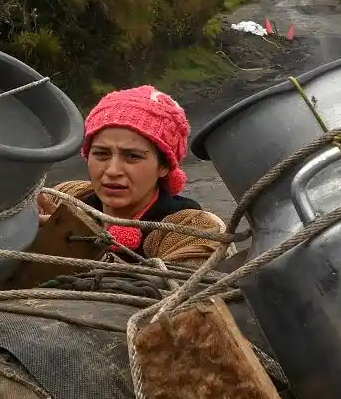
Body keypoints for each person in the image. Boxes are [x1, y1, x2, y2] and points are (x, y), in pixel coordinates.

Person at [37, 85, 228, 267]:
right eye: (101, 154)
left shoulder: (193, 229)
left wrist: (72, 243)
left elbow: (171, 291)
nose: (112, 170)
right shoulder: (64, 197)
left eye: (133, 156)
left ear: (163, 167)